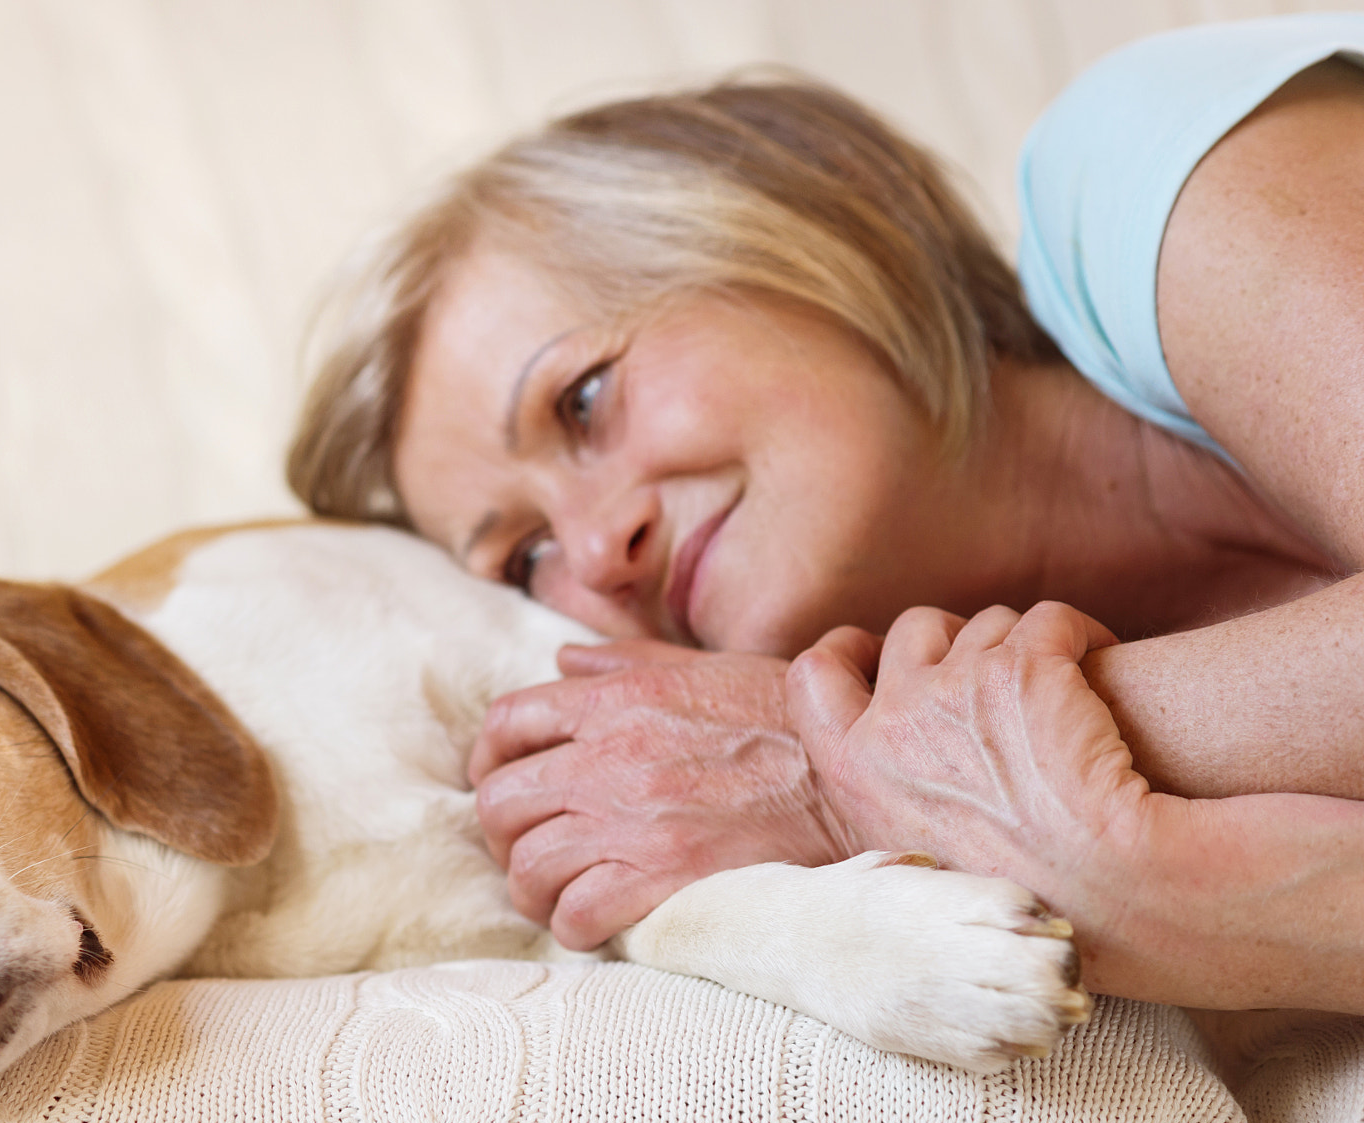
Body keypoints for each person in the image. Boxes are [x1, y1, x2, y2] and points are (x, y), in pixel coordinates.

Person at [284, 15, 1364, 1014]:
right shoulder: (1032, 851)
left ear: (793, 217)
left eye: (583, 399)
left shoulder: (1144, 162)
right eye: (524, 558)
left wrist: (840, 767)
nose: (595, 550)